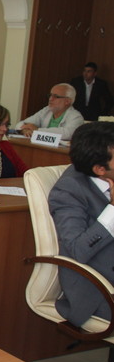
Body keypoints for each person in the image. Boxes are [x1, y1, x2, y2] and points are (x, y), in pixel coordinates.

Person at [48, 121, 114, 327]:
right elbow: (77, 250)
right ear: (100, 169)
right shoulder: (69, 190)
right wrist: (113, 208)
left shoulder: (105, 173)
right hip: (99, 291)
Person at [16, 83, 84, 140]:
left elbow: (68, 134)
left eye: (56, 96)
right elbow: (21, 124)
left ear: (67, 101)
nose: (50, 99)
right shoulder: (47, 110)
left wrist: (37, 130)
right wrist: (24, 130)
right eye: (50, 95)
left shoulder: (76, 117)